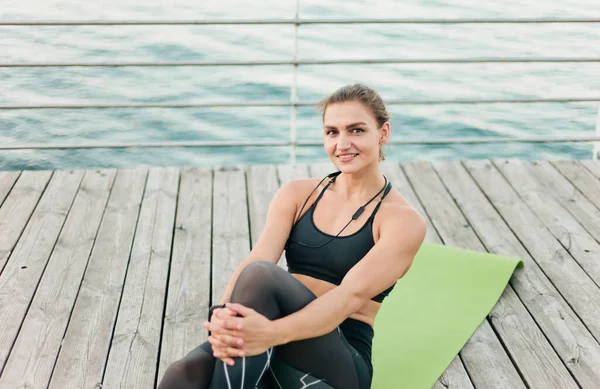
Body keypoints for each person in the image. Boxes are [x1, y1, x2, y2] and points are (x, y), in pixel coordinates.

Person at [157, 83, 426, 389]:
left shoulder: (401, 221)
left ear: (383, 133)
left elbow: (347, 297)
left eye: (357, 130)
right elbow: (258, 256)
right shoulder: (298, 194)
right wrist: (222, 320)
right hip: (270, 331)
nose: (342, 143)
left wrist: (269, 334)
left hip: (337, 361)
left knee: (262, 277)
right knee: (179, 376)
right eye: (332, 132)